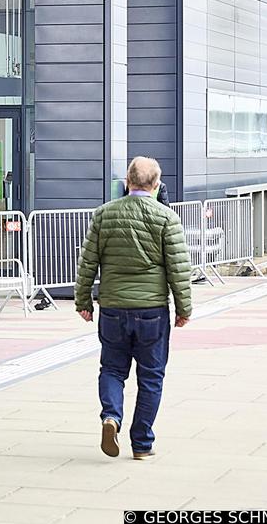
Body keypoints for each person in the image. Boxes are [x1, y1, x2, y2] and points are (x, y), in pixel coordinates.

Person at [75, 156, 192, 461]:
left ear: (127, 182)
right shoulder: (166, 218)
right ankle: (141, 443)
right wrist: (184, 308)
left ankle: (111, 417)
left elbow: (88, 261)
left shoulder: (104, 214)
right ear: (157, 184)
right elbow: (178, 268)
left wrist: (83, 301)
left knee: (112, 369)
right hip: (152, 310)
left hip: (113, 308)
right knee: (151, 377)